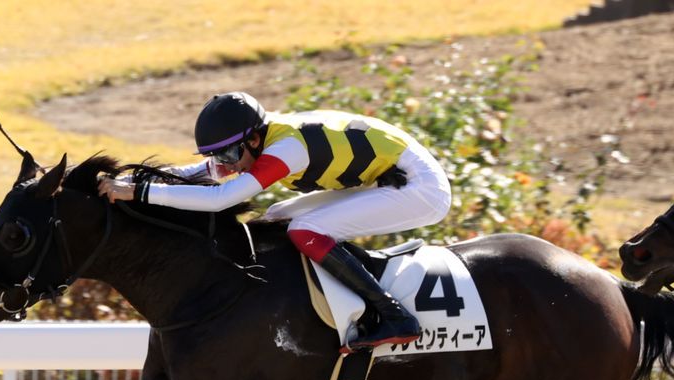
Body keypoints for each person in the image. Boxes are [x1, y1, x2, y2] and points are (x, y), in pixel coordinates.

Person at [98, 91, 452, 351]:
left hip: (419, 187)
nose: (226, 164)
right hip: (383, 176)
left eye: (229, 154)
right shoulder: (255, 140)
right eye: (218, 155)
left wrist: (139, 193)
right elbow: (199, 174)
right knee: (277, 217)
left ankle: (393, 315)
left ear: (254, 139)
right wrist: (128, 182)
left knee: (304, 229)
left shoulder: (287, 148)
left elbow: (221, 198)